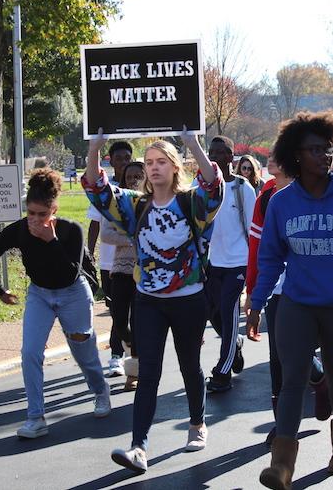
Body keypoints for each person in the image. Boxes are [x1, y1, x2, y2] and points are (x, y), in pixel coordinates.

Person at [246, 111, 333, 490]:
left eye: (329, 148)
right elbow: (269, 256)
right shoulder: (281, 202)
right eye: (314, 149)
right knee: (292, 381)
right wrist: (256, 303)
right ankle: (282, 467)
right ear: (295, 155)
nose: (324, 155)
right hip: (296, 303)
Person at [83, 130, 223, 473]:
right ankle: (138, 448)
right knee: (148, 373)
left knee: (190, 365)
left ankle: (197, 424)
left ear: (175, 168)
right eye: (149, 163)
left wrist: (193, 145)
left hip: (189, 300)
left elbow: (213, 186)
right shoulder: (136, 205)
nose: (154, 168)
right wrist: (94, 151)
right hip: (148, 301)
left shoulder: (191, 203)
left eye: (161, 162)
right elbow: (98, 190)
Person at [0, 169, 111, 439]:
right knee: (30, 352)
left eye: (42, 214)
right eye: (31, 213)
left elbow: (70, 271)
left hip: (73, 292)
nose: (35, 220)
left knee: (83, 352)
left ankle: (100, 391)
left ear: (54, 210)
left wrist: (50, 240)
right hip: (40, 294)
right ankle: (36, 417)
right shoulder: (19, 230)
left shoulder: (70, 230)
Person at [244, 155, 331, 445]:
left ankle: (321, 381)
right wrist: (253, 292)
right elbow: (256, 248)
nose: (272, 158)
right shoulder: (265, 197)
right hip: (276, 290)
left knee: (299, 352)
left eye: (281, 154)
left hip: (309, 288)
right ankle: (282, 426)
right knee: (278, 358)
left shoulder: (312, 191)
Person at [205, 136, 256, 394]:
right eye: (211, 152)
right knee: (213, 313)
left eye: (220, 152)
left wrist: (253, 267)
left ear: (230, 157)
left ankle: (223, 372)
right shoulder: (201, 187)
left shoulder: (242, 188)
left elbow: (253, 228)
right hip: (212, 263)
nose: (214, 156)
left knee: (228, 311)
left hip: (237, 263)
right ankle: (234, 343)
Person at [87, 140, 132, 376]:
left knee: (134, 310)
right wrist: (89, 254)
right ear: (110, 160)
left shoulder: (139, 190)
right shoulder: (104, 191)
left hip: (136, 263)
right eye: (119, 158)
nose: (123, 162)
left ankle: (125, 354)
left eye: (128, 158)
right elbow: (95, 224)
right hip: (109, 261)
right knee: (117, 310)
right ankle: (120, 351)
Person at [100, 162, 145, 391]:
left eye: (139, 175)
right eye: (130, 176)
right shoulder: (117, 203)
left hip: (145, 270)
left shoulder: (150, 202)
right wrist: (132, 238)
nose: (134, 179)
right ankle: (130, 348)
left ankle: (134, 372)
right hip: (120, 267)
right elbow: (105, 234)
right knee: (119, 319)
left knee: (138, 320)